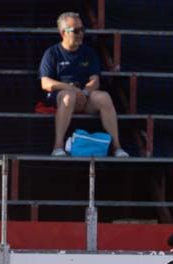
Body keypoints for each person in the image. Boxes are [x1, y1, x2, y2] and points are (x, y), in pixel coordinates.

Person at [39, 12, 127, 158]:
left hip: (84, 98)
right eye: (76, 31)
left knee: (103, 97)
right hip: (62, 98)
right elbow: (45, 83)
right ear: (63, 33)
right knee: (68, 97)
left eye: (82, 30)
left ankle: (117, 148)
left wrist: (84, 93)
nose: (81, 34)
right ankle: (58, 146)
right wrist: (71, 89)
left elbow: (95, 80)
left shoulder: (89, 53)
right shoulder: (52, 53)